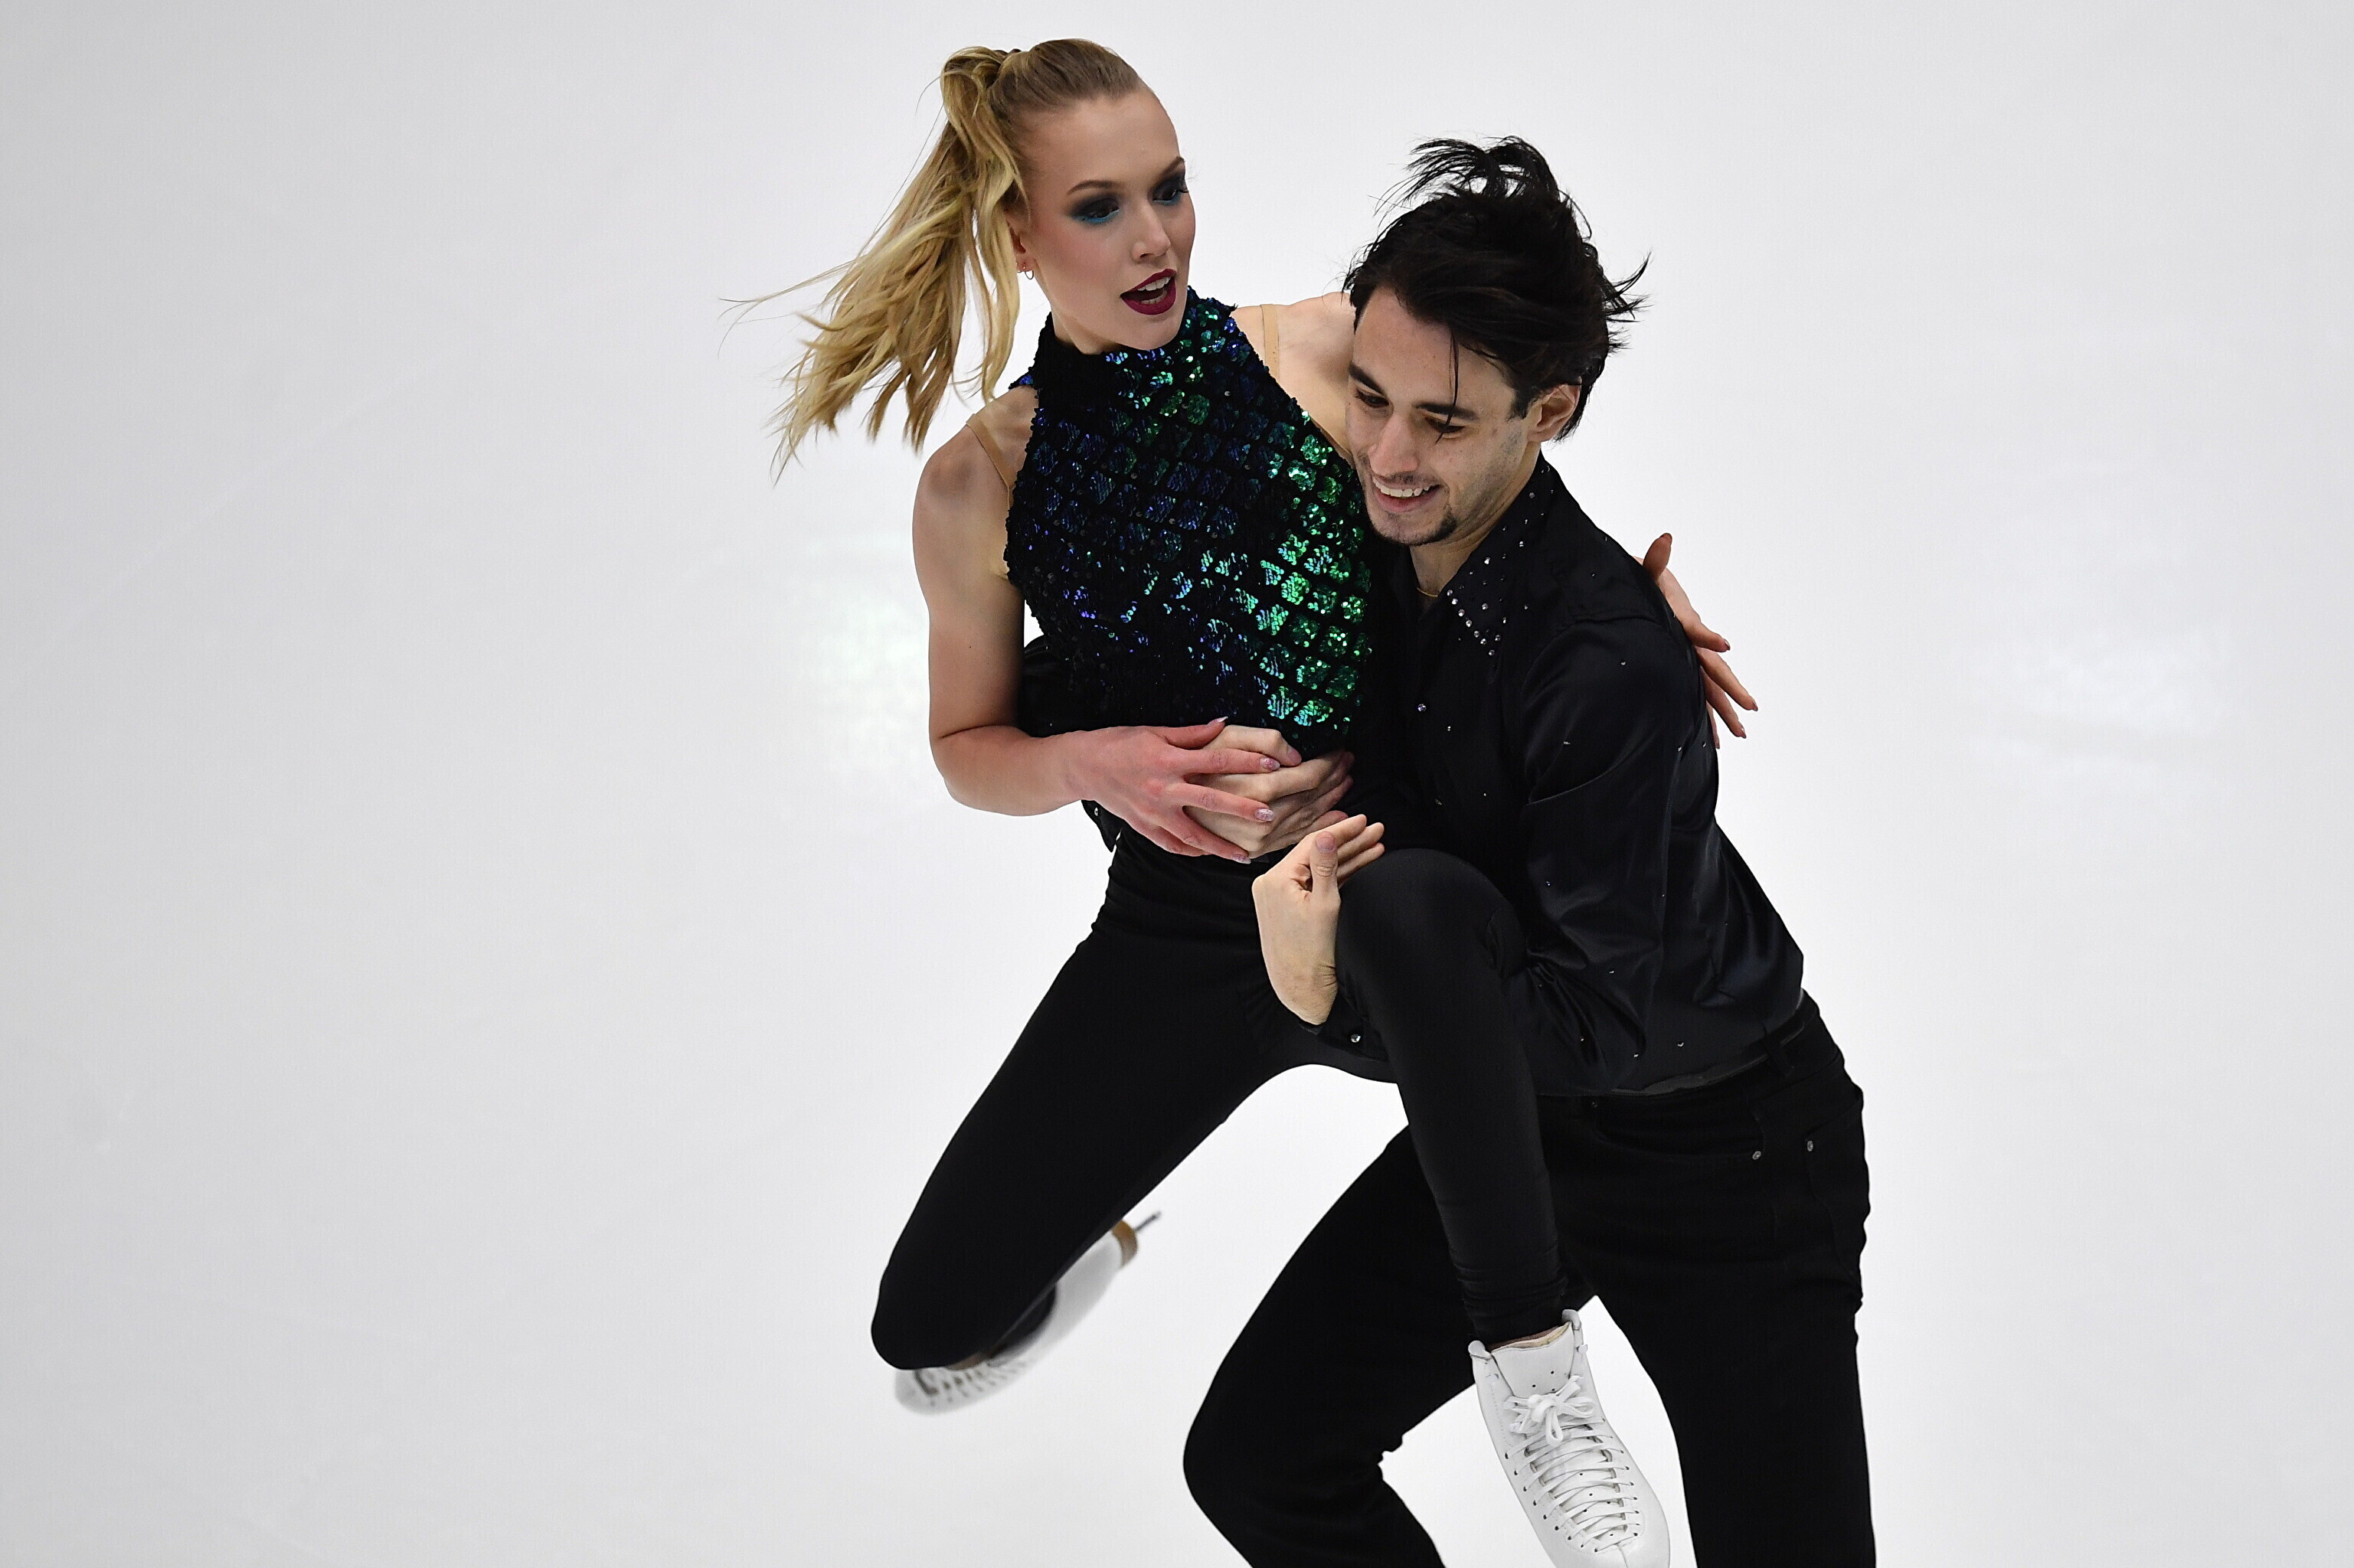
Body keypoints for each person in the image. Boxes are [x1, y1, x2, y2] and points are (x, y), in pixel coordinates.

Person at [770, 40, 1743, 1561]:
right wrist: (1089, 763)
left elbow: (1482, 451)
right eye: (1099, 207)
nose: (1154, 237)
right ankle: (1090, 1229)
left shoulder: (1312, 350)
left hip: (1395, 878)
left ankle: (1541, 1384)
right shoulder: (980, 483)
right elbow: (966, 743)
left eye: (1169, 189)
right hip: (1184, 932)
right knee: (929, 1328)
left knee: (1597, 1095)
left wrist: (1612, 613)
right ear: (1015, 234)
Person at [1200, 139, 1875, 1567]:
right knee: (1261, 1460)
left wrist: (1324, 999)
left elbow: (1595, 1020)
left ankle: (1538, 1380)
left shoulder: (1604, 664)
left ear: (1547, 412)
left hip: (1728, 1154)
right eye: (1368, 398)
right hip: (1514, 1132)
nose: (1389, 456)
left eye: (1444, 423)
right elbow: (1146, 370)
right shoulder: (1354, 530)